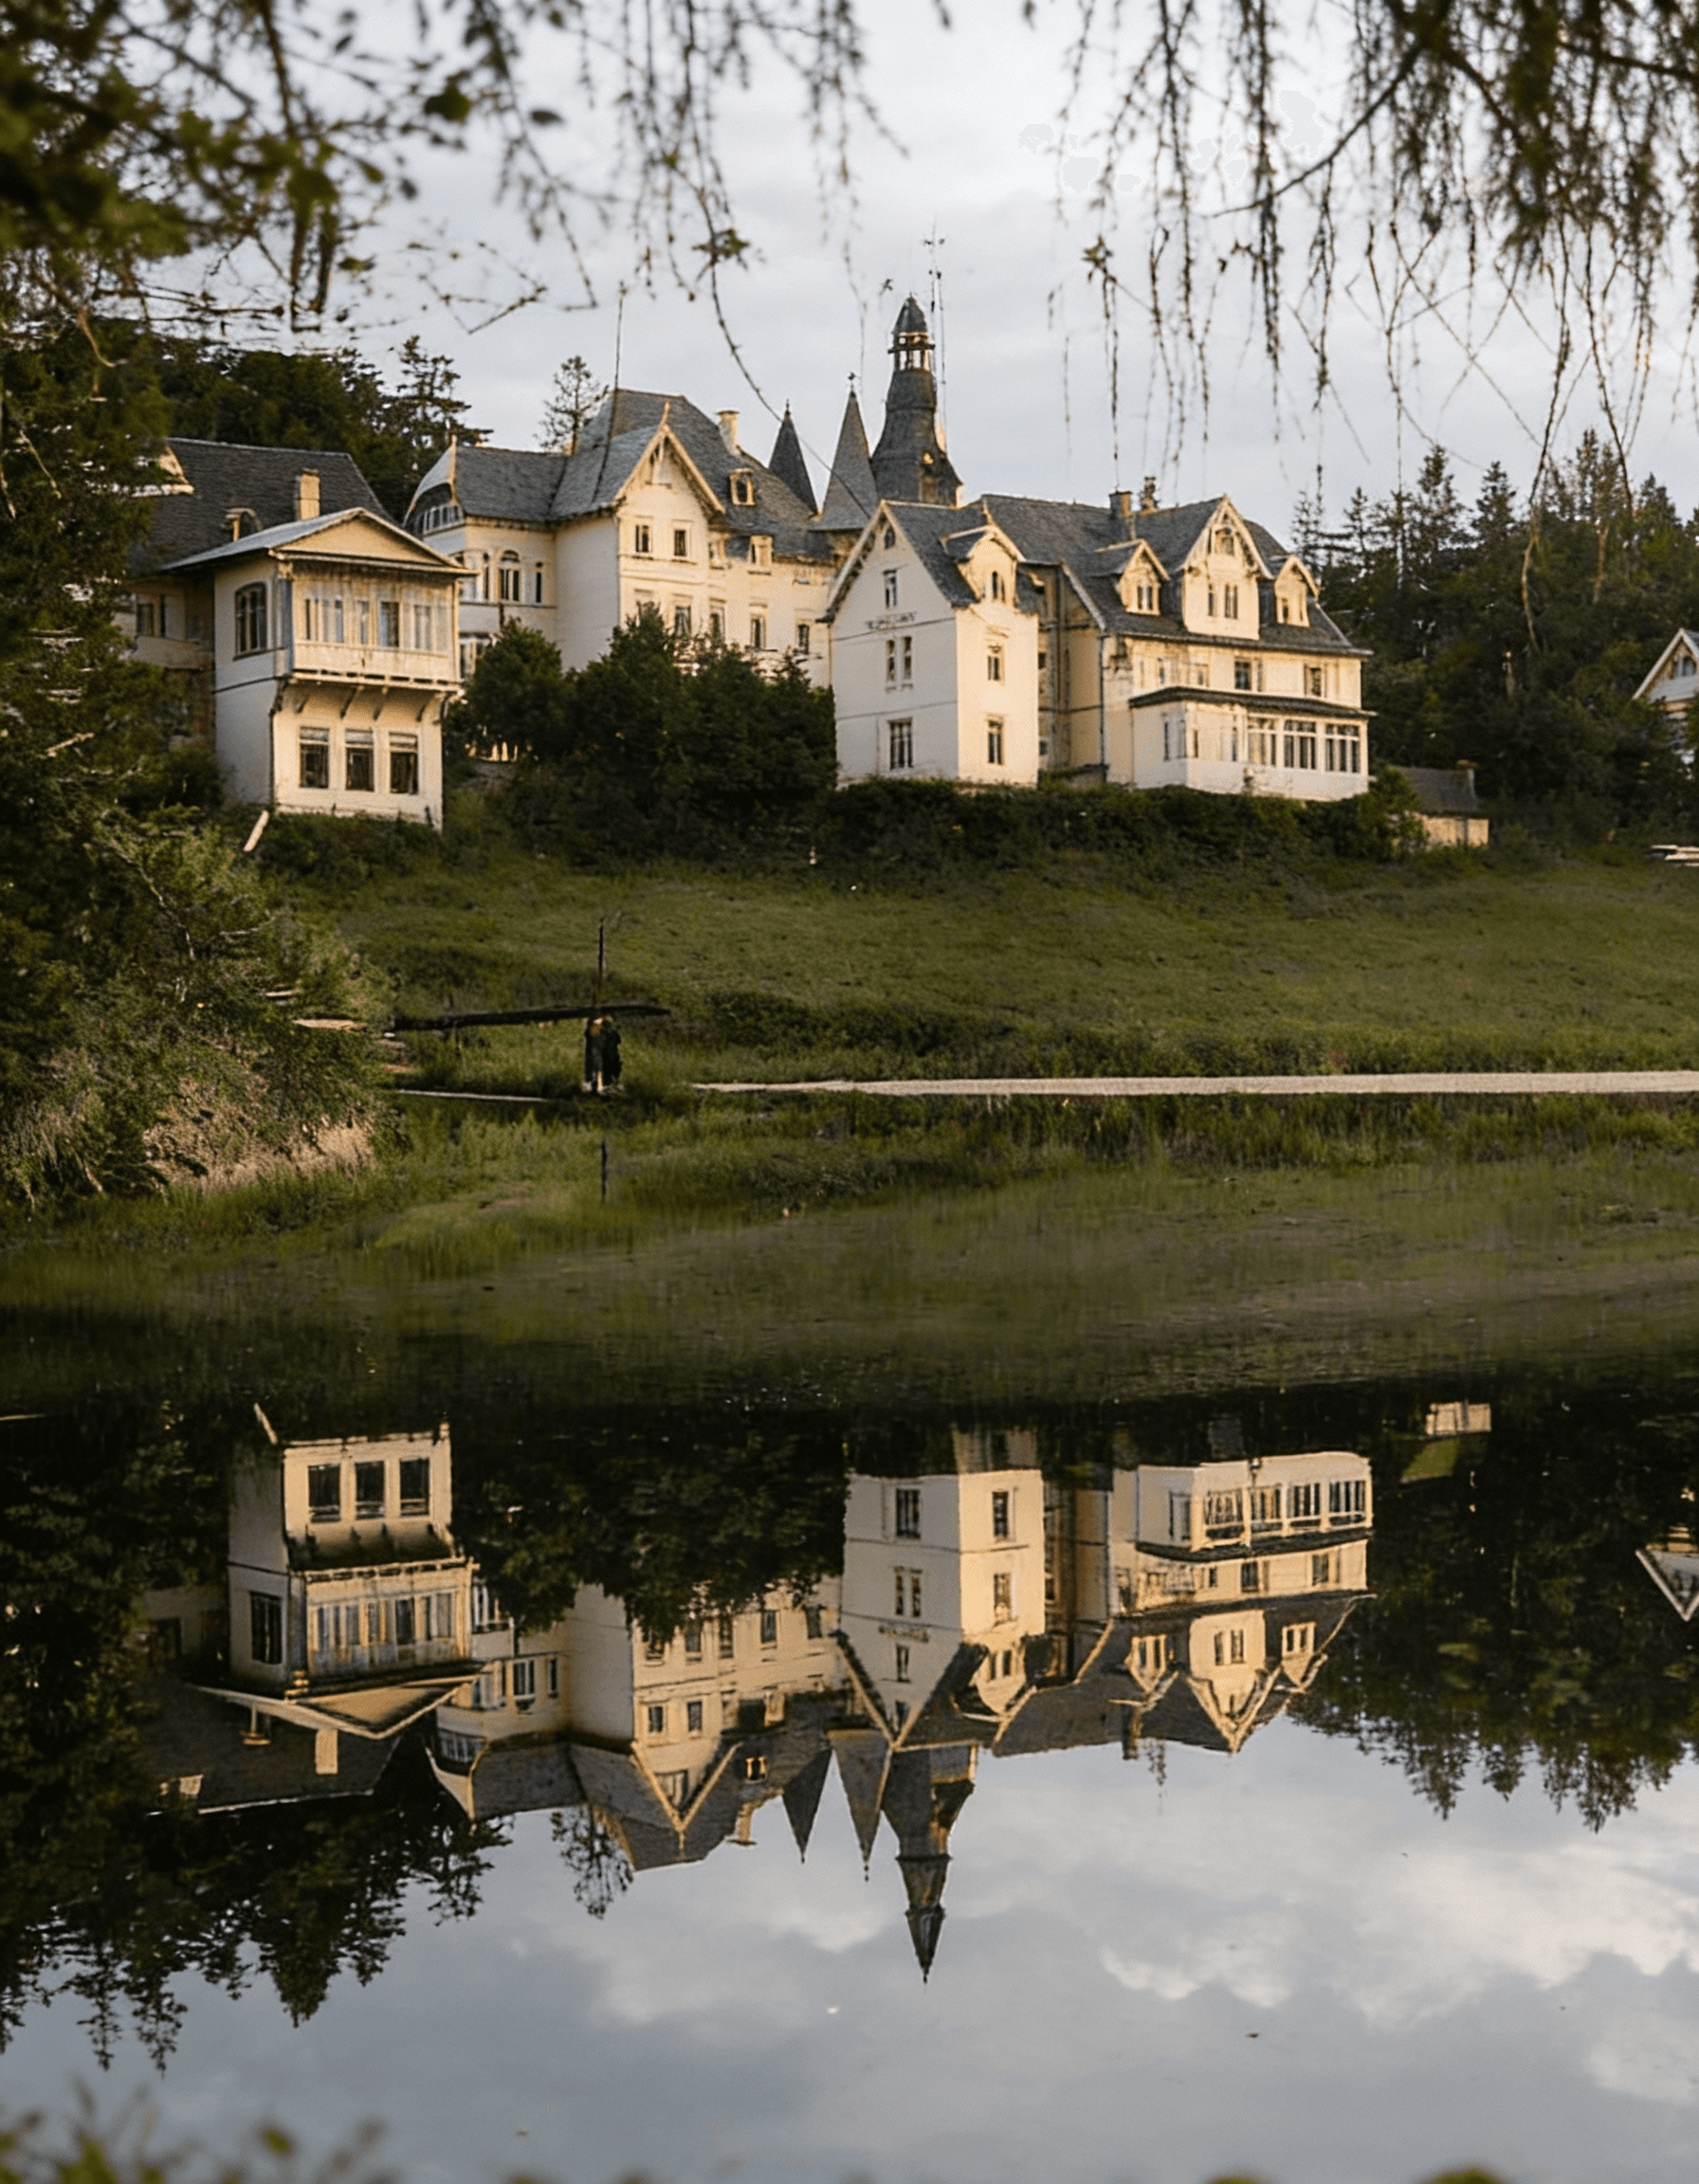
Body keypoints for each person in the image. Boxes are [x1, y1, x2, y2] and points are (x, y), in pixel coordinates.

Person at [601, 1014, 623, 1092]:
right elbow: (618, 1041)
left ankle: (611, 1084)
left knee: (613, 1068)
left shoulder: (609, 1033)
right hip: (609, 1054)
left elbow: (618, 1041)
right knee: (610, 1070)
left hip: (610, 1054)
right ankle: (609, 1085)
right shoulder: (610, 1032)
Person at [583, 1015, 604, 1094]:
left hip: (596, 1048)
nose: (600, 1028)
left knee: (597, 1066)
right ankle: (594, 1084)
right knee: (595, 1065)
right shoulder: (590, 1038)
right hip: (594, 1049)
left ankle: (596, 1085)